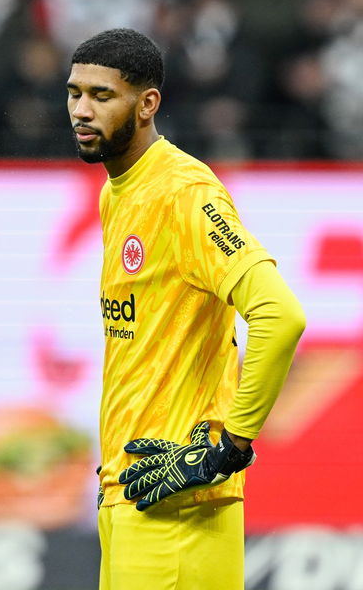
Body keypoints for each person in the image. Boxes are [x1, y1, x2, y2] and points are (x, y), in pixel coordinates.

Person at [66, 29, 306, 589]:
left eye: (102, 96)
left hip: (182, 502)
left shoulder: (185, 193)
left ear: (147, 103)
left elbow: (280, 314)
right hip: (129, 491)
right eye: (75, 92)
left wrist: (228, 448)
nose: (81, 110)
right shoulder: (117, 192)